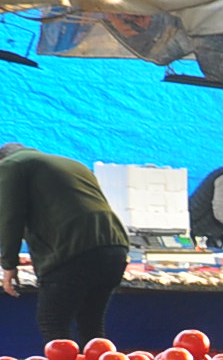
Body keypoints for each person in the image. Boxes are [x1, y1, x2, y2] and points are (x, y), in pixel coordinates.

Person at [0, 143, 131, 341]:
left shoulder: (11, 165)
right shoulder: (71, 163)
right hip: (115, 246)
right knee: (91, 325)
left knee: (52, 322)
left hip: (72, 249)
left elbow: (10, 217)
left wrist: (9, 264)